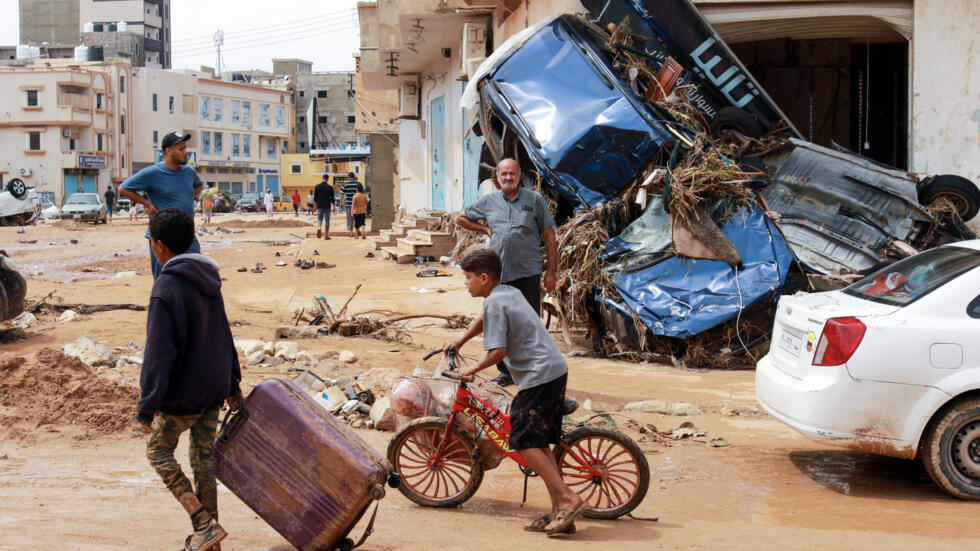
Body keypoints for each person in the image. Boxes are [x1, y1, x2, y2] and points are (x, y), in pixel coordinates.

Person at [445, 249, 584, 536]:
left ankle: (569, 499)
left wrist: (472, 370)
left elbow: (498, 352)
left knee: (521, 441)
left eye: (468, 278)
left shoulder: (496, 304)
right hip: (552, 369)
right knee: (538, 442)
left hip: (539, 375)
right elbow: (484, 319)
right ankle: (559, 508)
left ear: (484, 278)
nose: (466, 283)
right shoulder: (506, 293)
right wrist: (460, 340)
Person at [136, 208, 243, 551]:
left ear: (160, 246)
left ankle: (201, 522)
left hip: (184, 393)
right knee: (203, 461)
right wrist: (233, 384)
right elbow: (224, 334)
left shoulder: (164, 287)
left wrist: (147, 404)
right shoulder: (208, 278)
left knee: (158, 451)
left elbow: (158, 354)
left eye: (150, 241)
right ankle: (211, 540)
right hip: (213, 387)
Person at [455, 158, 558, 386]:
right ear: (498, 178)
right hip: (498, 277)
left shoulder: (535, 200)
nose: (508, 178)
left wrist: (551, 272)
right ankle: (506, 371)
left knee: (528, 325)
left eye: (512, 174)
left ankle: (534, 371)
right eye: (504, 174)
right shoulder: (489, 201)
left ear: (519, 176)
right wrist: (483, 228)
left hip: (528, 273)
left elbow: (550, 236)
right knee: (498, 324)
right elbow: (460, 217)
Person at [120, 132, 203, 279]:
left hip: (187, 234)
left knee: (195, 276)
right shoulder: (152, 173)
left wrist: (185, 199)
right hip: (163, 237)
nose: (186, 153)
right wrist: (147, 204)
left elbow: (198, 186)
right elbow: (123, 188)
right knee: (165, 278)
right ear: (168, 151)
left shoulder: (189, 172)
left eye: (185, 148)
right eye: (181, 149)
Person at [313, 174, 334, 240]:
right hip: (327, 206)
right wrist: (334, 206)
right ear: (327, 179)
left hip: (319, 205)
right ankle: (326, 235)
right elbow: (332, 198)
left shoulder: (317, 186)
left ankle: (319, 228)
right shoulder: (330, 187)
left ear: (322, 178)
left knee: (319, 219)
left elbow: (315, 198)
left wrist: (314, 206)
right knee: (327, 220)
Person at [341, 173, 360, 237]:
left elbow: (342, 194)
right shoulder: (358, 183)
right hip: (357, 204)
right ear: (354, 176)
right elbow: (362, 192)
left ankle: (351, 232)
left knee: (349, 218)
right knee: (357, 217)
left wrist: (341, 203)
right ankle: (357, 231)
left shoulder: (345, 184)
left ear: (348, 177)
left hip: (349, 203)